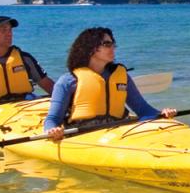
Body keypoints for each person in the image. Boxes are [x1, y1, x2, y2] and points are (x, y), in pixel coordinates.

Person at [42, 27, 175, 141]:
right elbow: (52, 119)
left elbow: (143, 110)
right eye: (107, 44)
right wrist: (53, 130)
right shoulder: (67, 81)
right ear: (90, 48)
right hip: (83, 135)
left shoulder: (122, 77)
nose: (113, 48)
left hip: (118, 132)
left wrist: (162, 114)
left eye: (113, 44)